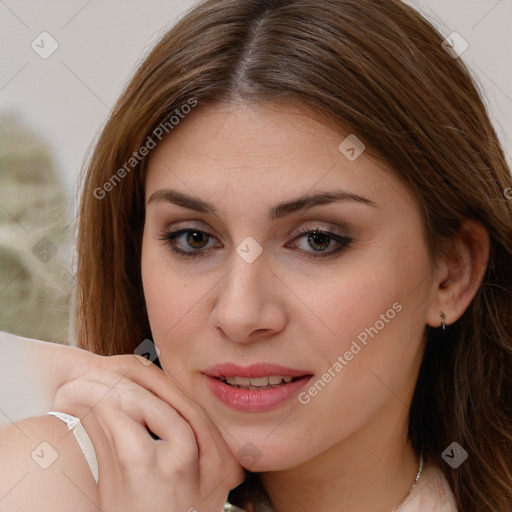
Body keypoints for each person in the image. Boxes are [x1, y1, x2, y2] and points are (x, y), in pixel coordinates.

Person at [1, 0, 511, 510]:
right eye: (193, 239)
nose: (240, 315)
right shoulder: (47, 478)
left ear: (451, 273)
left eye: (318, 239)